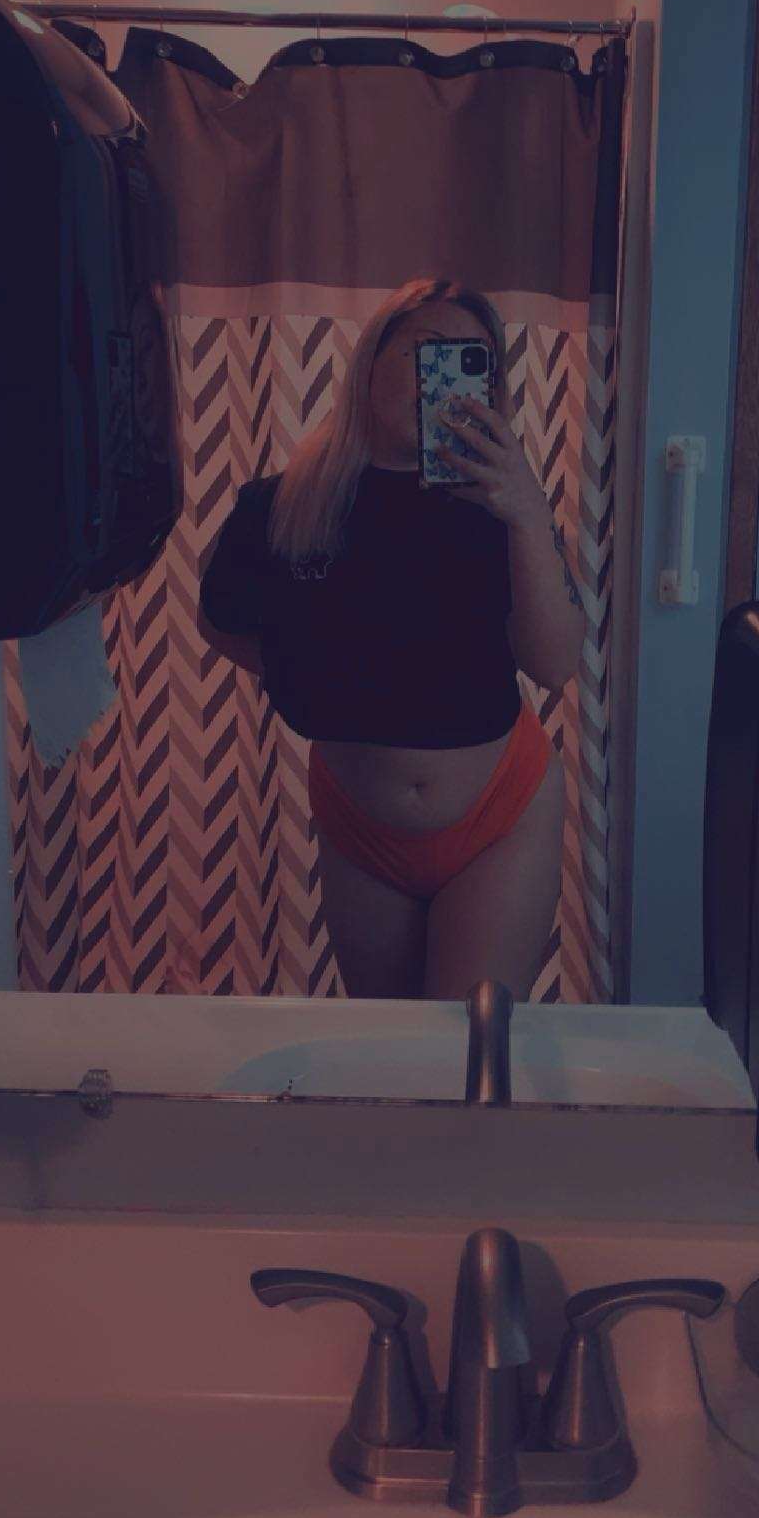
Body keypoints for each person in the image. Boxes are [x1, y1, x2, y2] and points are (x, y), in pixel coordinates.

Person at [197, 278, 586, 1000]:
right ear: (370, 360)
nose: (443, 376)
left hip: (499, 815)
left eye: (470, 360)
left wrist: (528, 516)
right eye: (426, 351)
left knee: (467, 1044)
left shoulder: (498, 507)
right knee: (389, 1042)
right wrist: (301, 675)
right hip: (359, 827)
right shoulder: (285, 503)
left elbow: (555, 664)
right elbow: (219, 620)